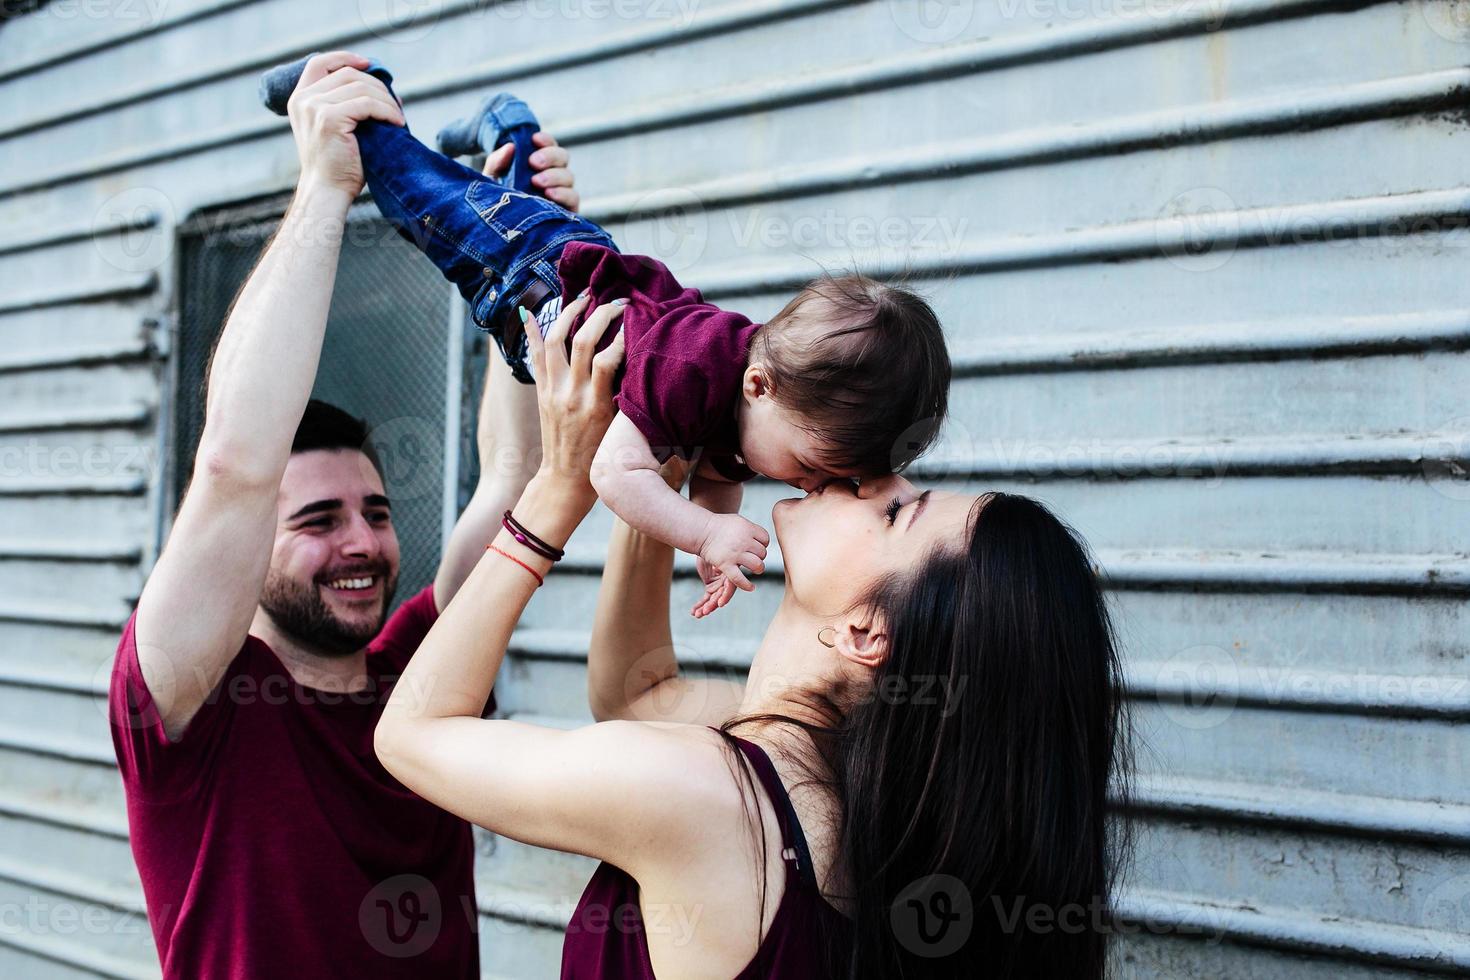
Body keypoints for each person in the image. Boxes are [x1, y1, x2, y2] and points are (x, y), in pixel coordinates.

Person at [373, 285, 1136, 976]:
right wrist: (664, 459)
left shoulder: (708, 797)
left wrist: (560, 485)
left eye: (900, 510)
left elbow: (411, 733)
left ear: (867, 635)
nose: (877, 477)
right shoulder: (847, 790)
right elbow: (638, 693)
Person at [107, 51, 584, 978]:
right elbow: (237, 467)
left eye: (374, 510)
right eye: (319, 521)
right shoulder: (187, 701)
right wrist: (327, 186)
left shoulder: (423, 671)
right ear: (250, 548)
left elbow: (517, 475)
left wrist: (529, 243)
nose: (362, 542)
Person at [259, 52, 953, 617]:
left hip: (551, 294)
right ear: (759, 384)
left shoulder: (754, 420)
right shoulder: (691, 372)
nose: (804, 484)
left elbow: (714, 484)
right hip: (530, 265)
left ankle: (511, 125)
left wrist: (708, 545)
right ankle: (360, 97)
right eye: (809, 465)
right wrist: (703, 531)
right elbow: (614, 473)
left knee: (503, 191)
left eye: (823, 479)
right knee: (416, 200)